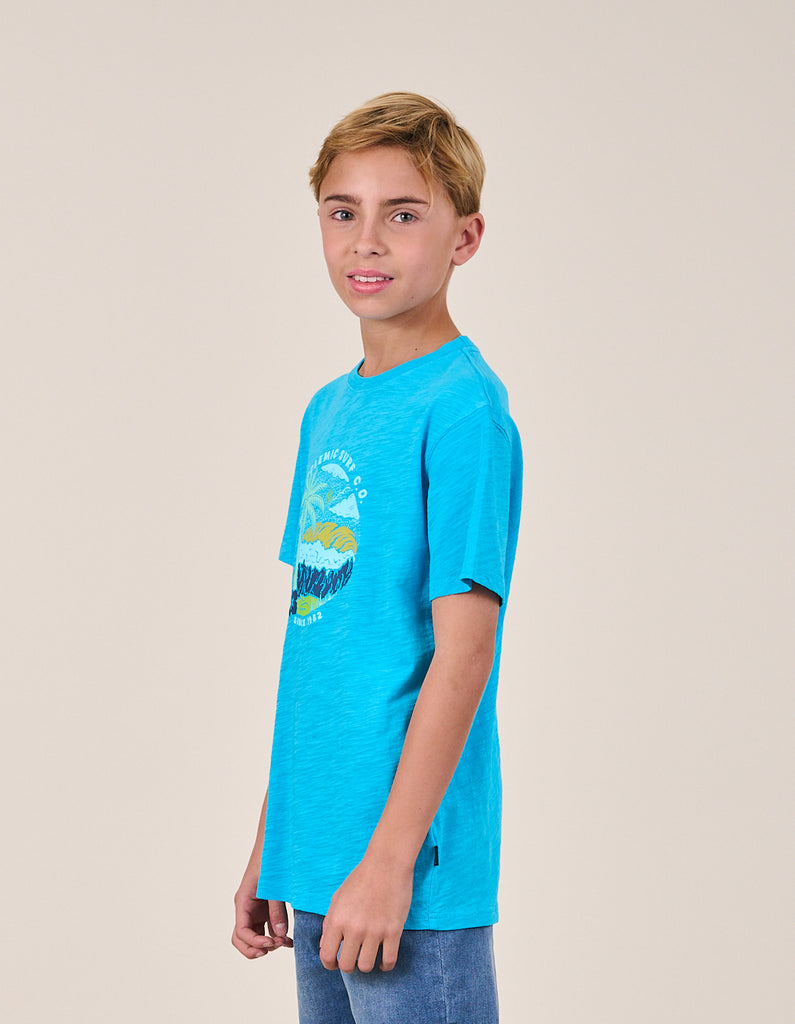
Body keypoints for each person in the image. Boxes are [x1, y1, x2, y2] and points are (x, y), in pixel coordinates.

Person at [231, 91, 523, 1024]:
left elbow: (464, 654)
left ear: (464, 237)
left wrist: (390, 860)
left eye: (402, 215)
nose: (366, 241)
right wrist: (274, 840)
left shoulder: (463, 409)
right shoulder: (329, 409)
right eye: (341, 212)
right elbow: (319, 641)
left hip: (406, 871)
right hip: (319, 855)